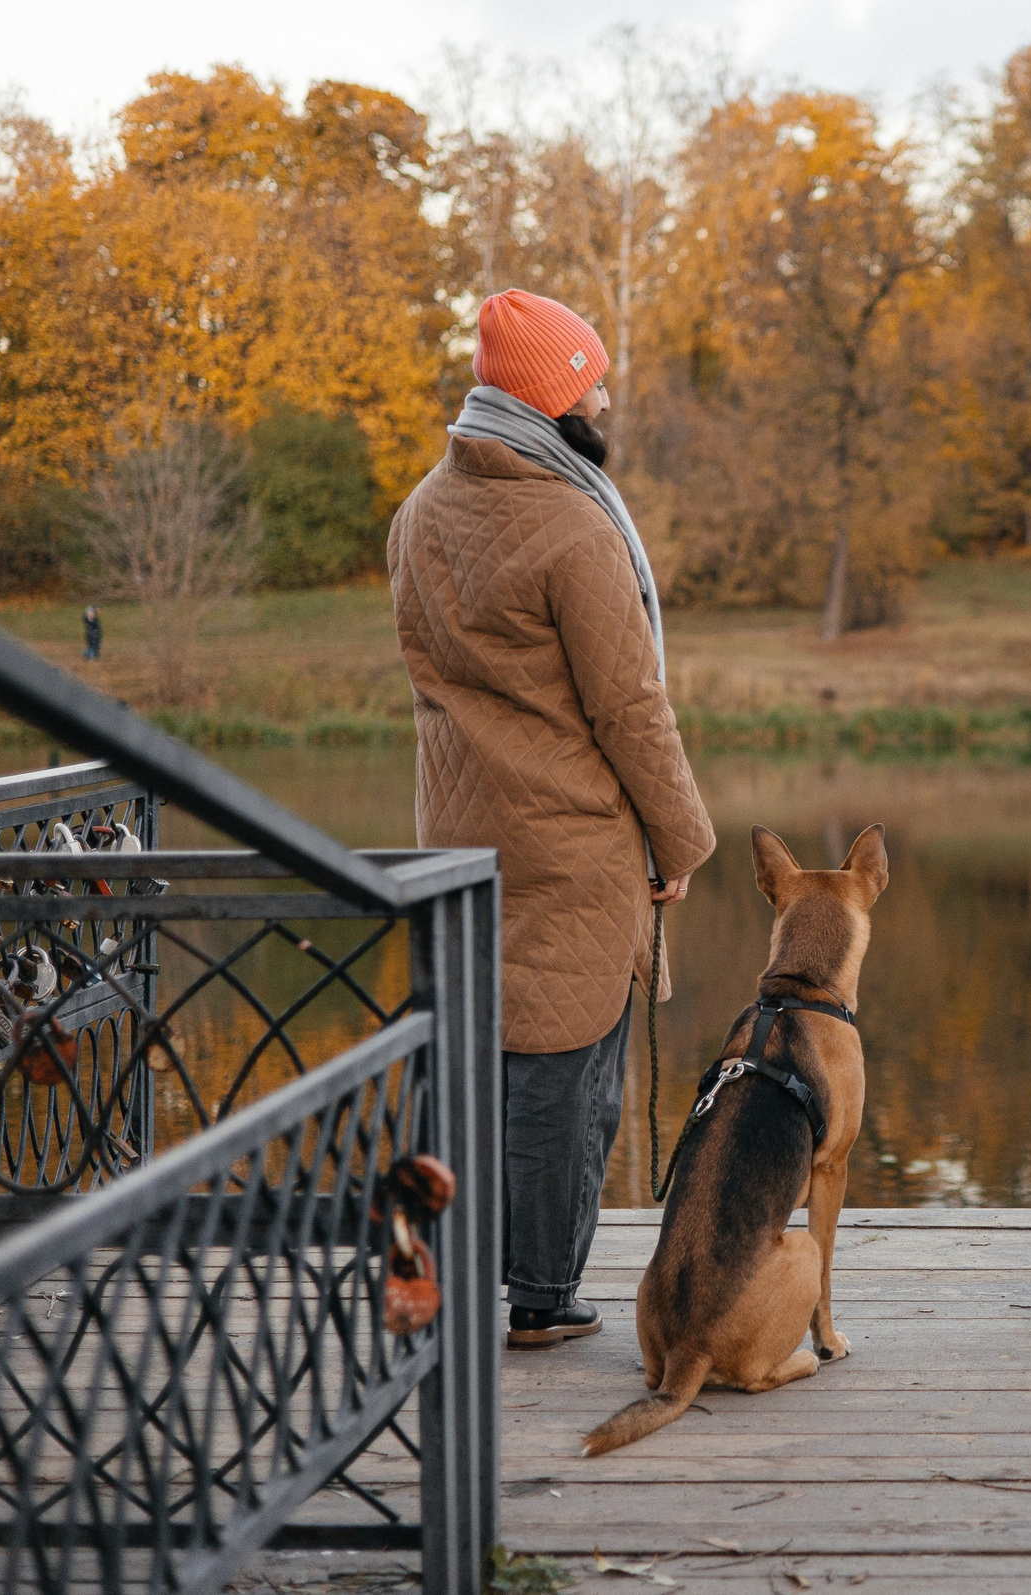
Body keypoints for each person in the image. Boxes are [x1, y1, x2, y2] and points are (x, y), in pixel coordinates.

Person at [389, 288, 717, 1350]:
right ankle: (542, 1296)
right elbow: (630, 711)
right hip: (573, 843)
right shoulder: (575, 526)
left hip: (459, 835)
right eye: (591, 384)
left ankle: (435, 1278)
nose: (606, 400)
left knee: (469, 1061)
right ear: (550, 401)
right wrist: (682, 839)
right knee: (567, 1080)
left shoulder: (418, 512)